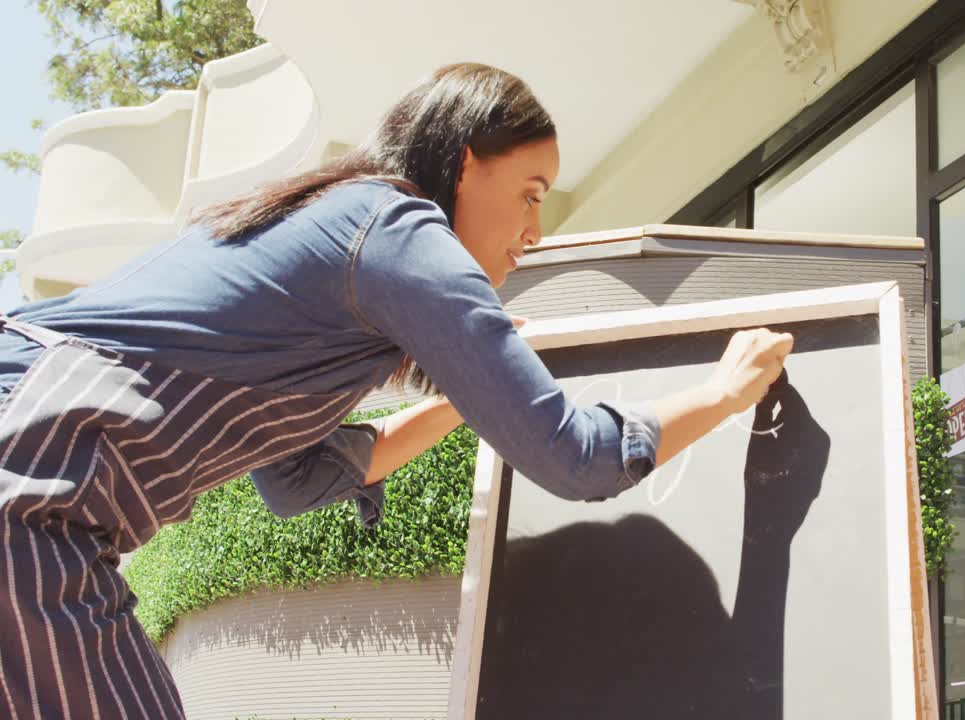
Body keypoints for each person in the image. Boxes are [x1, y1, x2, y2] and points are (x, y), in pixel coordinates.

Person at [0, 62, 793, 719]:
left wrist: (463, 399)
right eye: (529, 190)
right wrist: (724, 394)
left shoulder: (336, 237)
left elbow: (298, 480)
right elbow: (576, 458)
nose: (535, 229)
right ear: (465, 161)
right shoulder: (396, 227)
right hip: (34, 486)